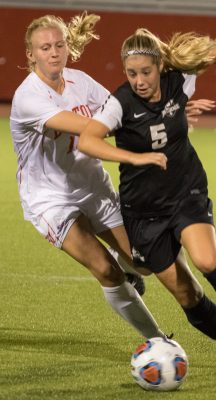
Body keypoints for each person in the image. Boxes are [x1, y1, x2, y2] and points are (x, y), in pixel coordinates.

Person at [78, 28, 216, 372]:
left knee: (207, 260)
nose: (139, 81)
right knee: (188, 296)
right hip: (143, 213)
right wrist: (134, 158)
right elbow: (87, 140)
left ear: (160, 65)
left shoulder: (178, 81)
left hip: (185, 191)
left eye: (146, 72)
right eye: (131, 73)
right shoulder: (120, 103)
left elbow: (211, 53)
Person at [9, 12, 172, 341]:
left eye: (59, 45)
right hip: (50, 198)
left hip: (93, 186)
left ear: (67, 47)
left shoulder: (80, 81)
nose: (53, 53)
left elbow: (117, 106)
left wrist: (168, 110)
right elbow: (91, 126)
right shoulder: (29, 97)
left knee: (144, 264)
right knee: (105, 270)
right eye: (44, 48)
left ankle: (127, 264)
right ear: (30, 55)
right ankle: (157, 341)